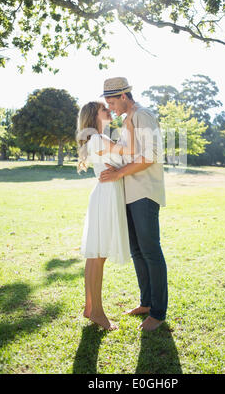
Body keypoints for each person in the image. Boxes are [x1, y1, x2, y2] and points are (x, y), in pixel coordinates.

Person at [99, 77, 168, 332]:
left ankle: (159, 312)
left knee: (150, 251)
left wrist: (117, 174)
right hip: (128, 194)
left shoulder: (143, 116)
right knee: (137, 251)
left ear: (125, 96)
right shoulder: (127, 120)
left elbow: (150, 157)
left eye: (113, 101)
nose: (112, 107)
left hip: (145, 193)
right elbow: (128, 154)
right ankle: (147, 303)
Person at [76, 100, 136, 330]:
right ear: (94, 115)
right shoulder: (99, 139)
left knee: (95, 255)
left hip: (105, 193)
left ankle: (90, 307)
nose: (109, 110)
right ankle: (98, 312)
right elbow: (130, 152)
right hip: (107, 195)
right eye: (104, 109)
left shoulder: (98, 139)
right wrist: (128, 122)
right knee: (97, 256)